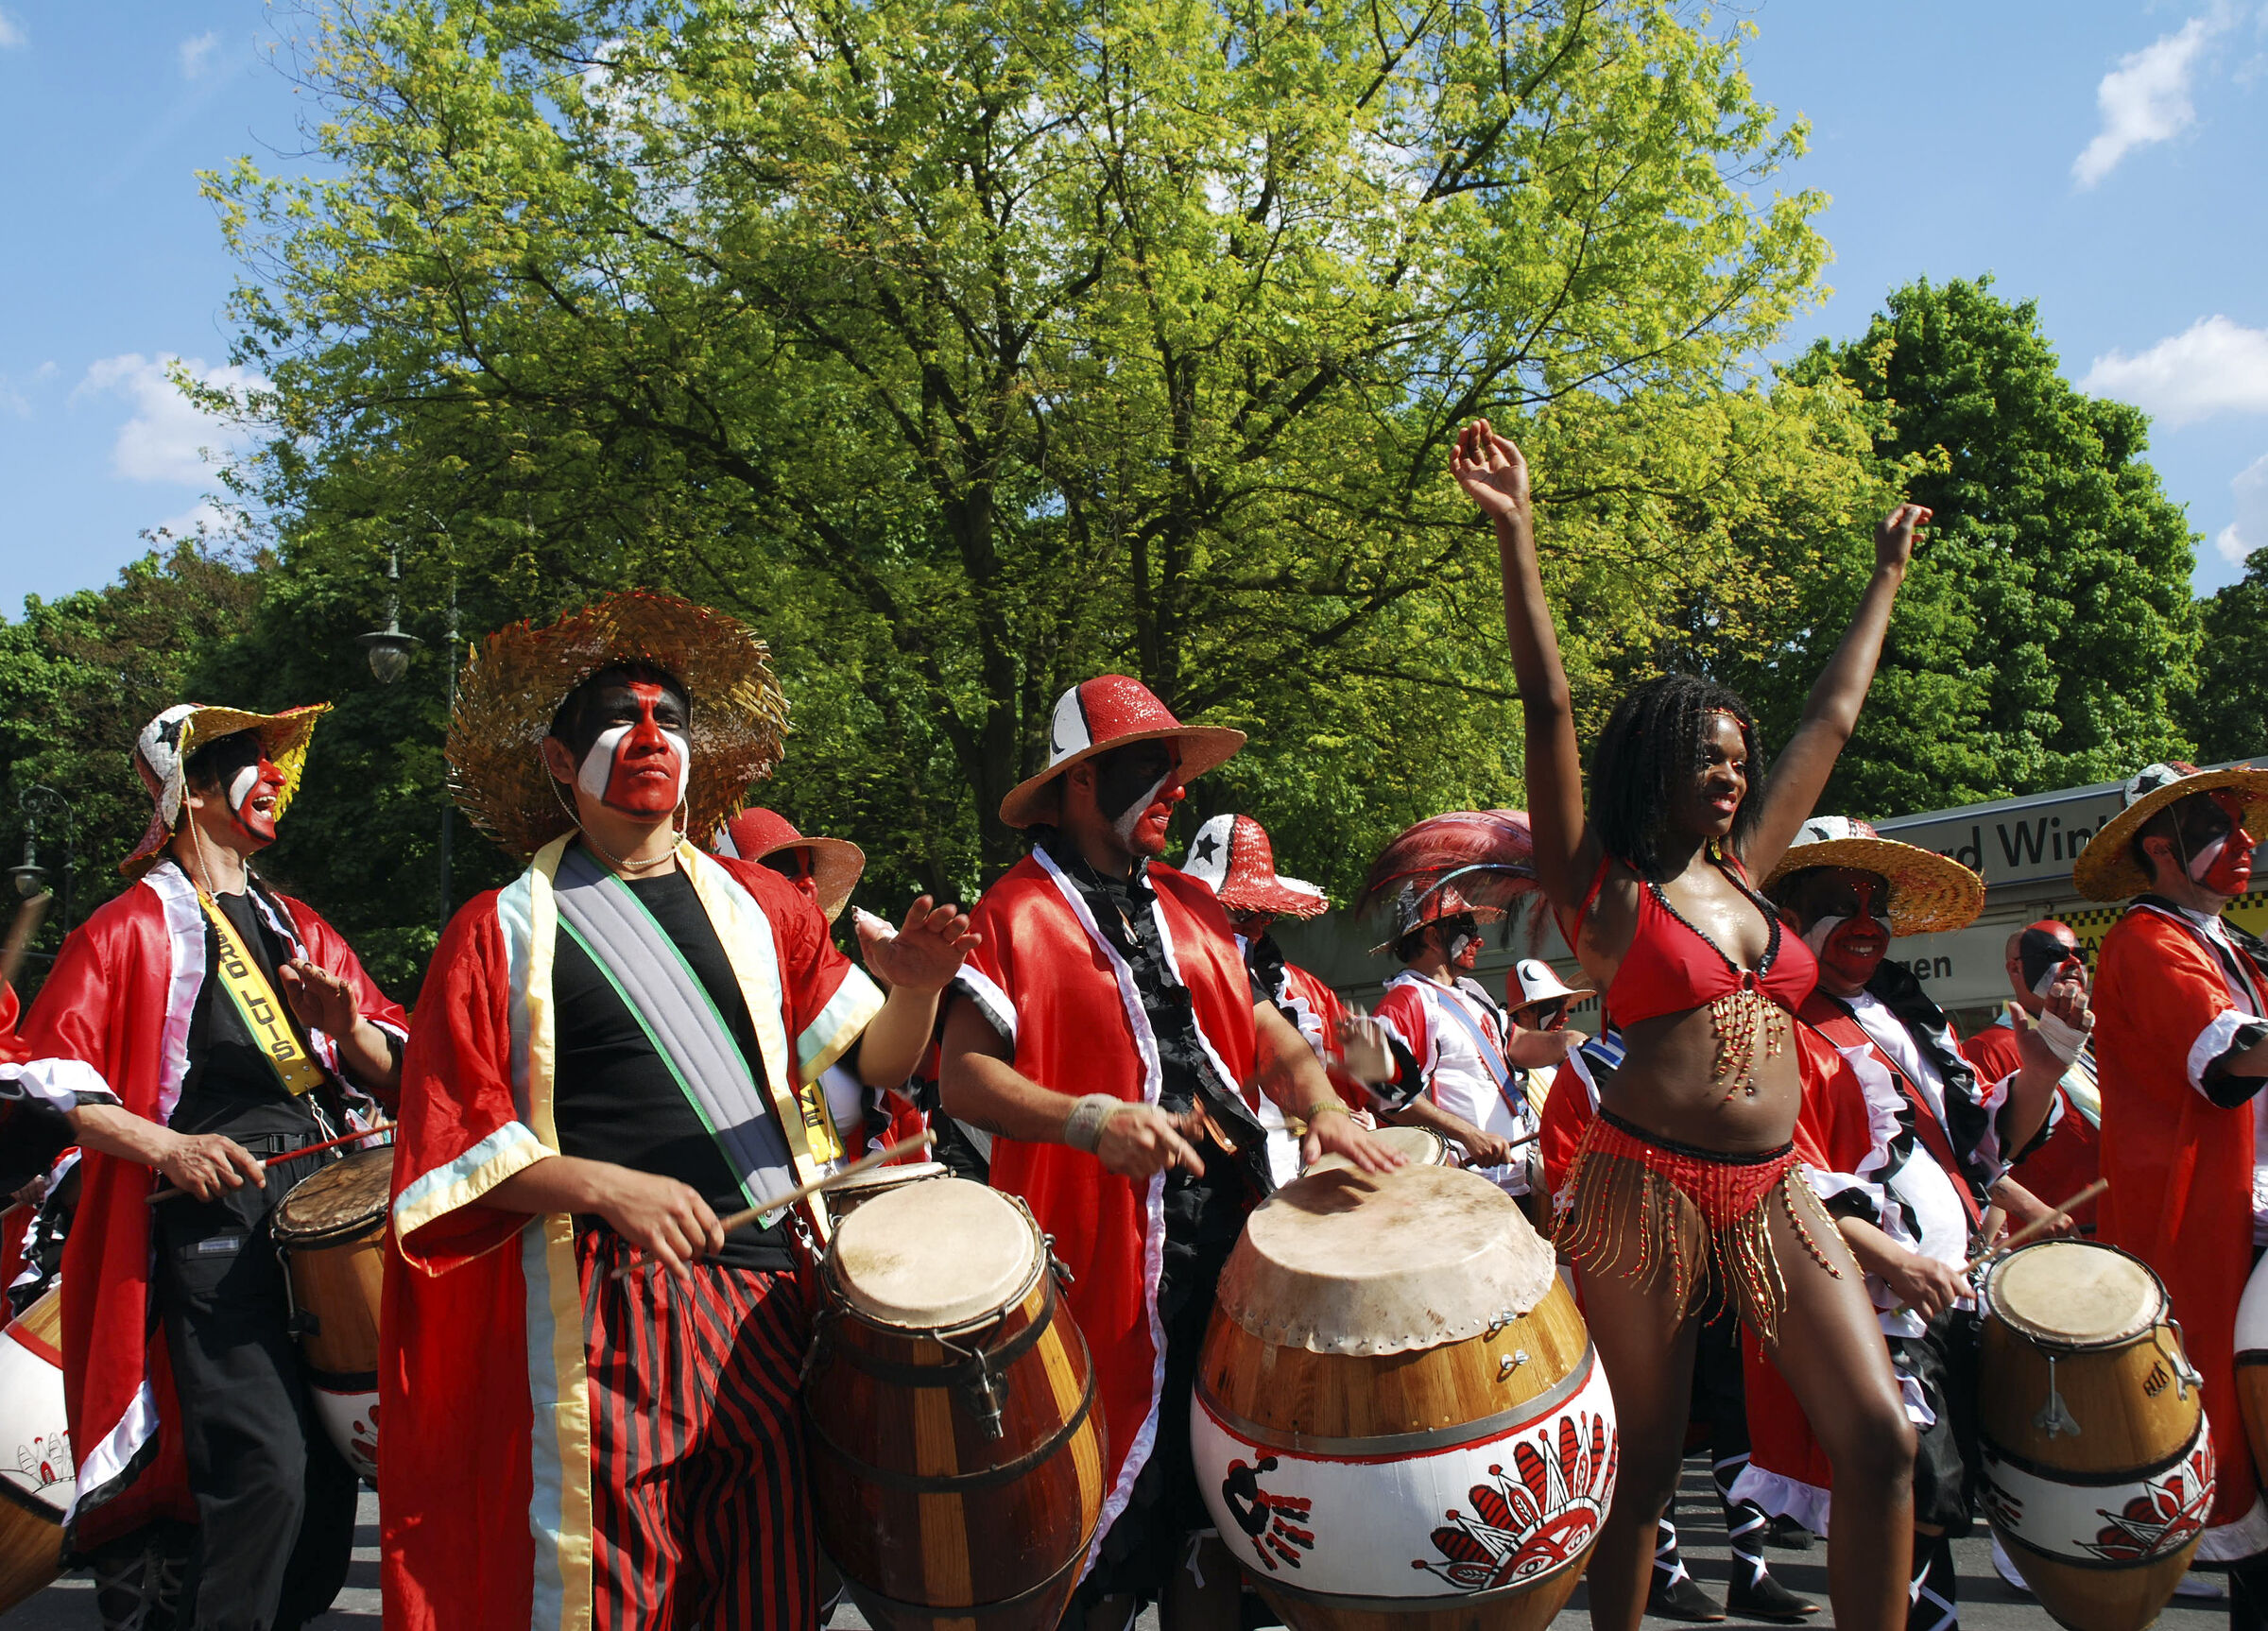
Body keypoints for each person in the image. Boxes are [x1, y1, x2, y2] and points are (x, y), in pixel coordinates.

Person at [381, 592, 975, 1631]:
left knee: (773, 1583)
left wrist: (919, 986)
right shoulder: (498, 930)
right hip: (611, 1304)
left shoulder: (768, 906)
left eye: (672, 717)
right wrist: (606, 1185)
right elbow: (453, 1144)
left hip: (775, 1297)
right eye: (620, 715)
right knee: (622, 1593)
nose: (653, 735)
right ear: (562, 765)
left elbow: (877, 1060)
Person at [1462, 411, 1927, 1631]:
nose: (1731, 776)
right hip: (1638, 1186)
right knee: (1647, 1467)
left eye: (1737, 760)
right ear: (1654, 769)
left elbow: (1827, 721)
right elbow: (1547, 704)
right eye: (1707, 760)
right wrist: (1518, 537)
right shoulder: (1602, 888)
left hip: (1775, 1187)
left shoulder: (1754, 876)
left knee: (1881, 1440)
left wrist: (1882, 580)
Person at [938, 675, 1400, 1631]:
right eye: (1154, 766)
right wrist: (1087, 1121)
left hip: (1226, 1239)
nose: (1178, 786)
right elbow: (964, 1080)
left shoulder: (1193, 905)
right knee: (1100, 1536)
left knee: (1214, 1519)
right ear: (1079, 784)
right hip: (1101, 1261)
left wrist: (1322, 1104)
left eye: (1178, 768)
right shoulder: (1013, 913)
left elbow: (1268, 1029)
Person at [0, 702, 407, 1631]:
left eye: (275, 765)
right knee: (261, 1467)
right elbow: (51, 1079)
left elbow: (395, 1055)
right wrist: (170, 1147)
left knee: (323, 1484)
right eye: (250, 764)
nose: (276, 782)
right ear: (194, 787)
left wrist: (347, 1030)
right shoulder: (127, 926)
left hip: (320, 1200)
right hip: (209, 1206)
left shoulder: (297, 923)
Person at [1755, 817, 2084, 1631]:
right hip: (1871, 1304)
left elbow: (1981, 1148)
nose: (1868, 922)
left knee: (1940, 1501)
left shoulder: (1908, 1012)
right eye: (1842, 902)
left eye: (1879, 903)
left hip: (1950, 1293)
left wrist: (2045, 1064)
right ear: (1790, 917)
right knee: (1903, 1495)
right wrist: (1895, 1261)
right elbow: (1780, 1174)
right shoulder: (1776, 1021)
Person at [2074, 761, 2268, 1619]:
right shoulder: (2149, 941)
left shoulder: (2221, 943)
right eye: (2218, 829)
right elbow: (2231, 1066)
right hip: (2214, 1231)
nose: (2248, 842)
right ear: (2161, 848)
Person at [1370, 884, 1556, 1199]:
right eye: (1467, 929)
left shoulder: (1469, 992)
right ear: (1431, 936)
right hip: (1462, 1189)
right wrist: (1469, 1135)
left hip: (1508, 1180)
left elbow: (1514, 1044)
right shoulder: (1405, 1003)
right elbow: (1387, 1097)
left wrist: (1570, 1044)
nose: (1478, 940)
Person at [1961, 920, 2101, 1232]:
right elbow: (1971, 1155)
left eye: (2080, 954)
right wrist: (2030, 1208)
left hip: (2127, 1226)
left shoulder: (2099, 1043)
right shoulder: (1986, 1049)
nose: (2074, 963)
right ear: (2014, 969)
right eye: (2056, 953)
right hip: (2061, 1243)